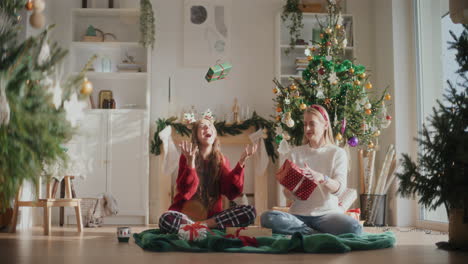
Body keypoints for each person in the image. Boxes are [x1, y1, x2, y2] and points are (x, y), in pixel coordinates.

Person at [261, 105, 362, 235]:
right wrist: (293, 192)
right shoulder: (295, 153)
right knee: (267, 217)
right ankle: (312, 232)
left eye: (312, 124)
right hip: (298, 216)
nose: (307, 128)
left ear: (325, 125)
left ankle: (304, 233)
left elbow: (340, 189)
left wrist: (322, 178)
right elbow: (287, 193)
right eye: (305, 124)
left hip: (327, 215)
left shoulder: (337, 153)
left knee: (354, 227)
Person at [159, 118, 258, 233]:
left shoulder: (222, 160)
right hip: (185, 215)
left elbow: (231, 192)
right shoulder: (186, 157)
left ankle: (199, 226)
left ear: (214, 134)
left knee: (250, 211)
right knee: (166, 219)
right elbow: (186, 191)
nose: (207, 128)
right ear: (196, 135)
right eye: (202, 126)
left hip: (212, 219)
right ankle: (198, 227)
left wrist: (241, 163)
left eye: (210, 126)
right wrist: (190, 163)